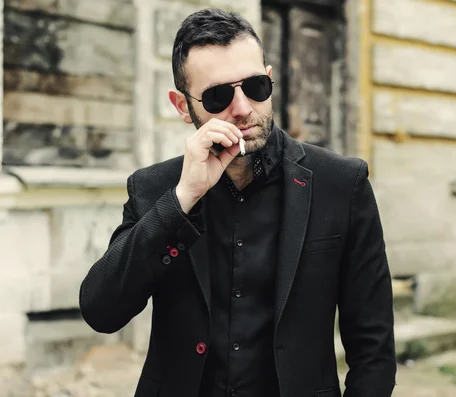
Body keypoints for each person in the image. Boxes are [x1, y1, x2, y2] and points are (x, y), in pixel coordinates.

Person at [79, 8, 396, 397]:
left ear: (270, 79)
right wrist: (183, 199)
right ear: (182, 106)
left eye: (256, 86)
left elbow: (374, 351)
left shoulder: (341, 184)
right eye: (217, 96)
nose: (243, 107)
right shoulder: (155, 188)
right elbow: (100, 311)